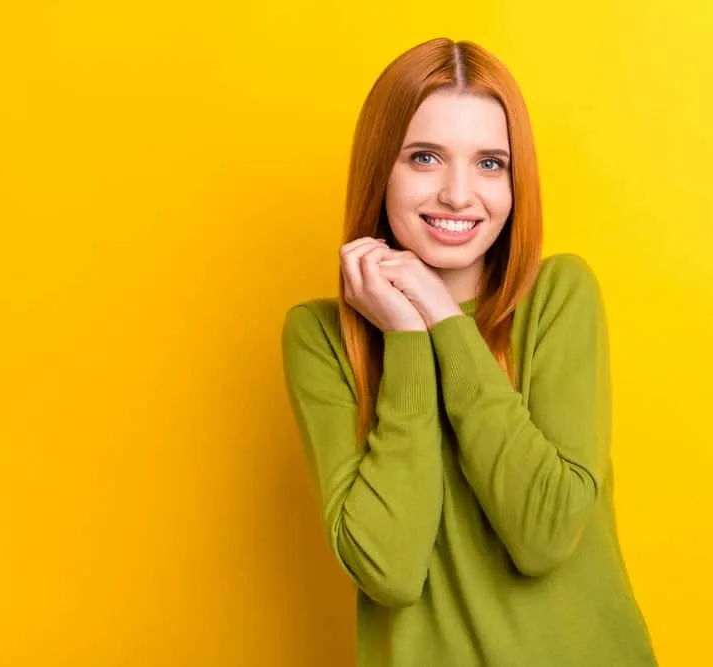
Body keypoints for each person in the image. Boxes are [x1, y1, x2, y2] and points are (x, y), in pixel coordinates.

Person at [281, 37, 658, 666]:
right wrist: (406, 335)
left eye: (490, 163)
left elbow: (543, 533)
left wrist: (441, 318)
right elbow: (390, 569)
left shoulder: (559, 297)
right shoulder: (322, 338)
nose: (459, 195)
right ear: (381, 168)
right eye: (425, 157)